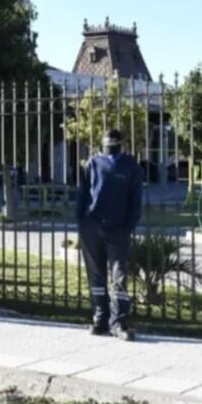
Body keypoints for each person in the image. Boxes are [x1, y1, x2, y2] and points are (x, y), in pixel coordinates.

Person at [75, 129, 143, 341]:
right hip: (92, 227)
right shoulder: (93, 164)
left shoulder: (130, 166)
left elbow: (135, 201)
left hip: (118, 229)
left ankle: (119, 322)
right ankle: (100, 318)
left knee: (119, 276)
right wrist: (82, 223)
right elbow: (83, 194)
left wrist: (127, 226)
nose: (109, 147)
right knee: (96, 275)